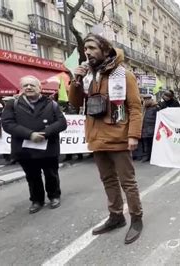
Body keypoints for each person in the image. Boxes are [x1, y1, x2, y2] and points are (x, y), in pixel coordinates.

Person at [69, 33, 143, 244]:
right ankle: (116, 216)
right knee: (107, 180)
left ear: (105, 49)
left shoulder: (123, 74)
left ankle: (136, 219)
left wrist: (133, 135)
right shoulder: (88, 76)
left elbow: (135, 108)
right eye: (86, 49)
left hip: (119, 137)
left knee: (128, 182)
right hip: (96, 136)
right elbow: (75, 103)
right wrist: (76, 80)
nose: (88, 52)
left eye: (92, 48)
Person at [1, 76, 67, 214]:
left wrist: (45, 133)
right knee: (32, 176)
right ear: (21, 88)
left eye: (32, 85)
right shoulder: (12, 104)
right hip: (25, 149)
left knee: (51, 174)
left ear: (40, 88)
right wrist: (30, 134)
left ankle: (54, 196)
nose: (28, 87)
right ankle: (37, 200)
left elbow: (62, 123)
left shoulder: (51, 104)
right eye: (25, 85)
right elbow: (7, 124)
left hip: (48, 147)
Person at [141, 97, 157, 162]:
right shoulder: (144, 109)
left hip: (151, 128)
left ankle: (150, 156)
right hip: (145, 128)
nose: (145, 101)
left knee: (151, 143)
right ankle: (147, 156)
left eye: (146, 100)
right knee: (146, 143)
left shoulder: (155, 108)